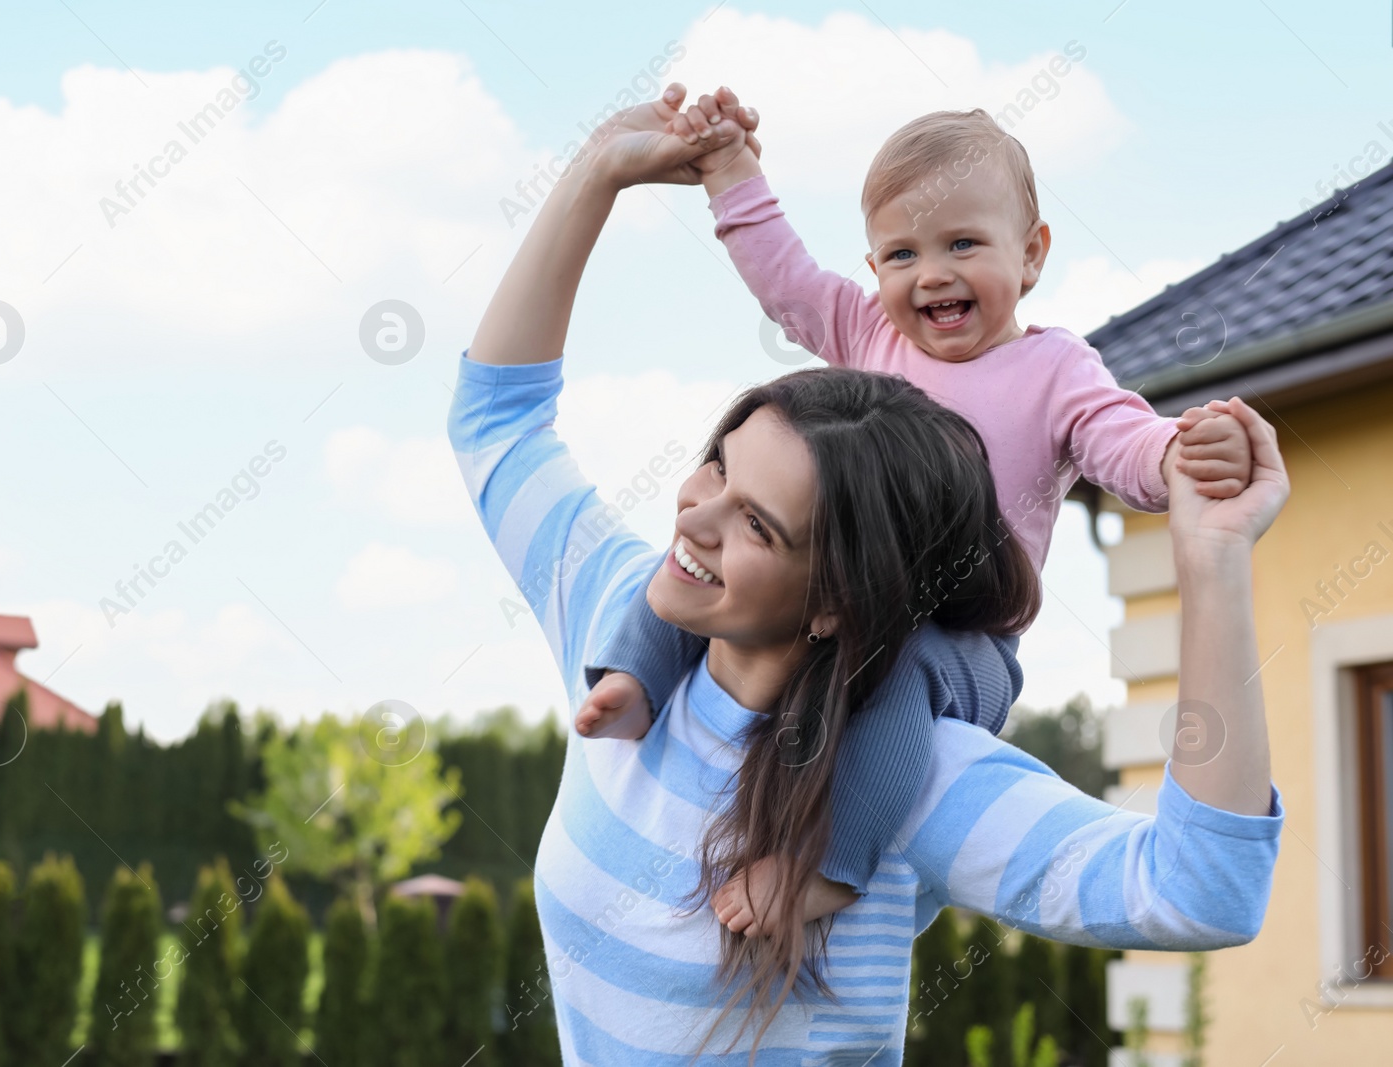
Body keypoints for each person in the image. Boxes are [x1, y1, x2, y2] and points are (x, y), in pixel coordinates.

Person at [452, 82, 1287, 1065]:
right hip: (765, 633)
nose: (694, 512)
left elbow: (1198, 892)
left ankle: (824, 868)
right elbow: (497, 418)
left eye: (756, 519)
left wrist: (1208, 550)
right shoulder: (619, 593)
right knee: (636, 613)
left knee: (890, 682)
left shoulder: (909, 771)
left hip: (940, 644)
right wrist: (605, 173)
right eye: (716, 462)